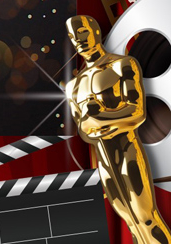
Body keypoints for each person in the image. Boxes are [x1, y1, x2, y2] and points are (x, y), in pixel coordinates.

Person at [66, 14, 171, 242]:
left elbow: (136, 112)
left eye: (82, 32)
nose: (78, 40)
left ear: (95, 32)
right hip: (104, 160)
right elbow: (83, 130)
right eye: (73, 36)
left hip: (127, 150)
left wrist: (99, 117)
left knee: (146, 218)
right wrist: (100, 121)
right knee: (131, 223)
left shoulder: (122, 65)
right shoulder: (74, 87)